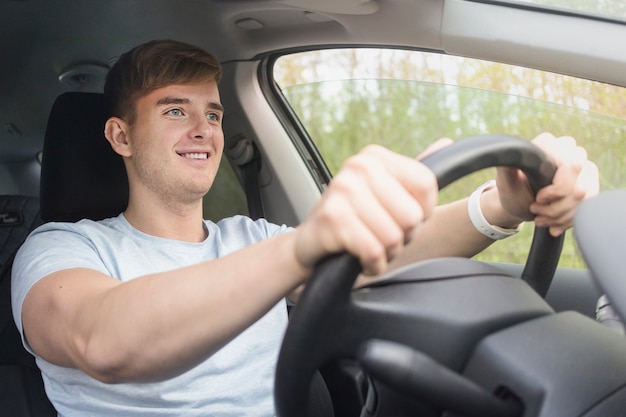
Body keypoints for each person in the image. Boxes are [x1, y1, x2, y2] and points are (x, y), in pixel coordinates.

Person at [11, 39, 599, 416]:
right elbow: (99, 340)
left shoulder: (249, 240)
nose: (204, 131)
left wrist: (498, 208)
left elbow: (382, 254)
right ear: (120, 137)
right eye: (174, 111)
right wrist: (304, 246)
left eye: (212, 114)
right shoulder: (64, 248)